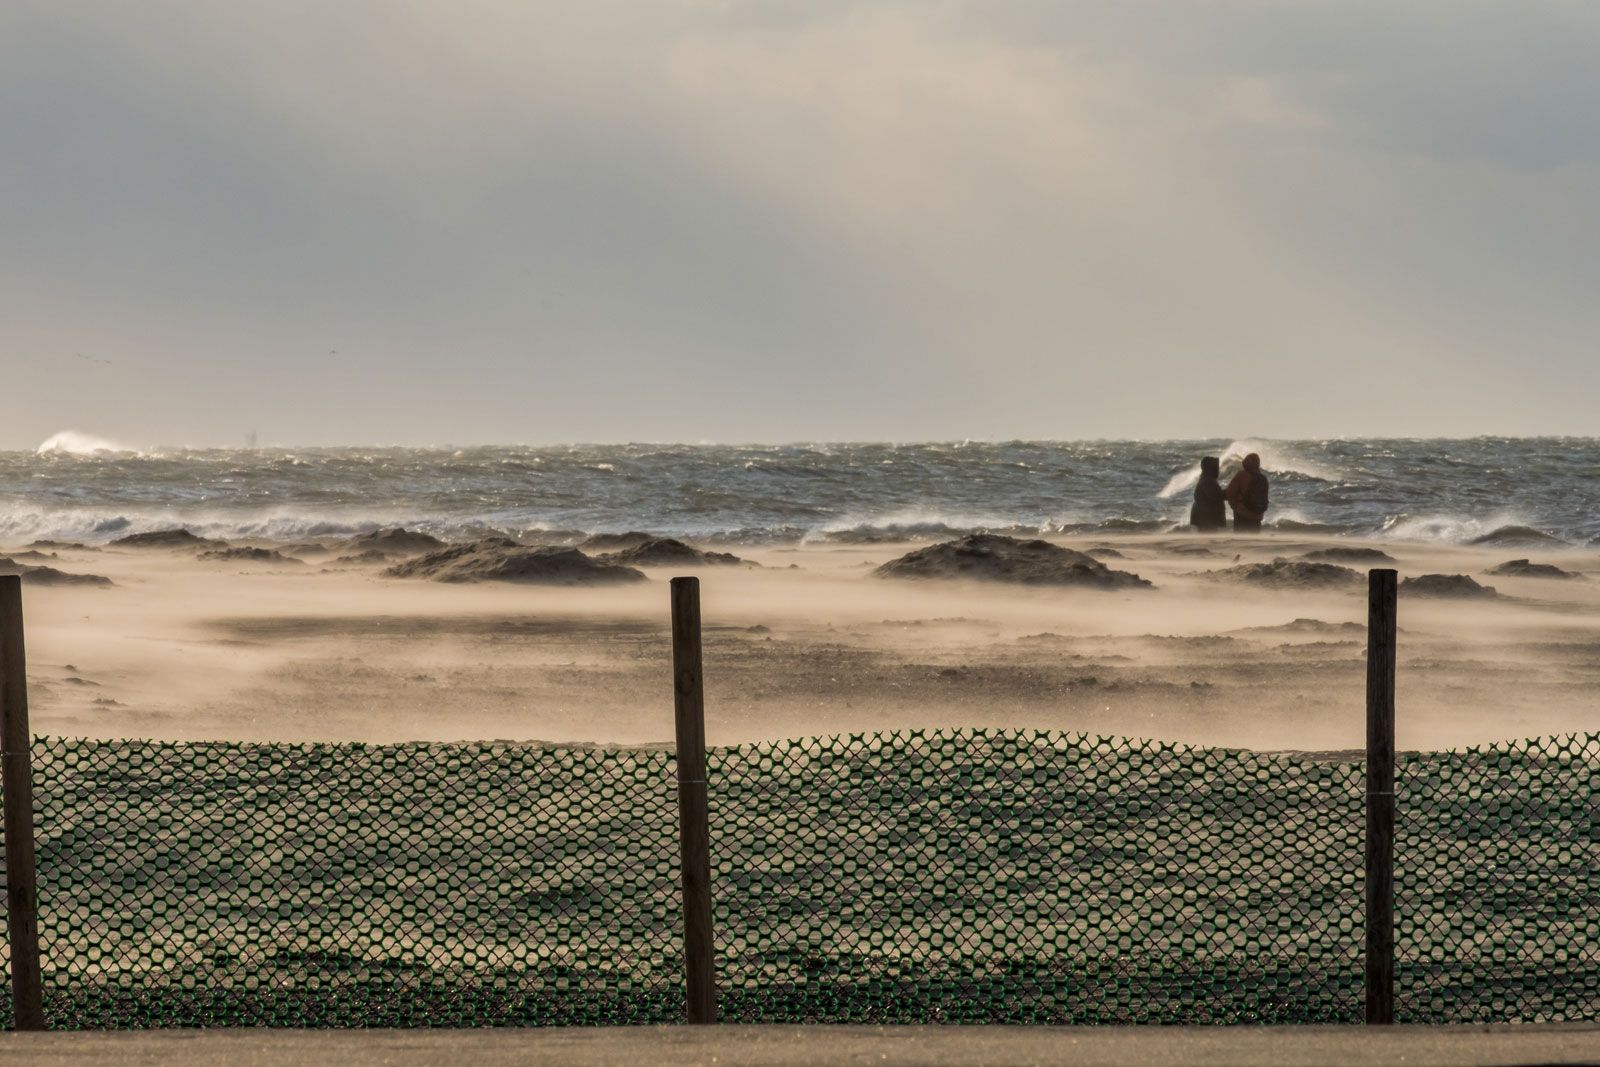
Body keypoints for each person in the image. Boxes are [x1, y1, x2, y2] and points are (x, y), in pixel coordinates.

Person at [1225, 452, 1270, 532]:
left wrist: (1234, 506)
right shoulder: (1263, 478)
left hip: (1242, 513)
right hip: (1257, 515)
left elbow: (1230, 493)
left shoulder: (1241, 475)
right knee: (1253, 540)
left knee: (1240, 539)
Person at [1190, 456, 1227, 532]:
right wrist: (1230, 492)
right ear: (1210, 469)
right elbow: (1216, 496)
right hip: (1206, 517)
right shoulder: (1208, 481)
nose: (1218, 470)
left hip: (1204, 517)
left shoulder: (1206, 479)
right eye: (1216, 467)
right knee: (1209, 537)